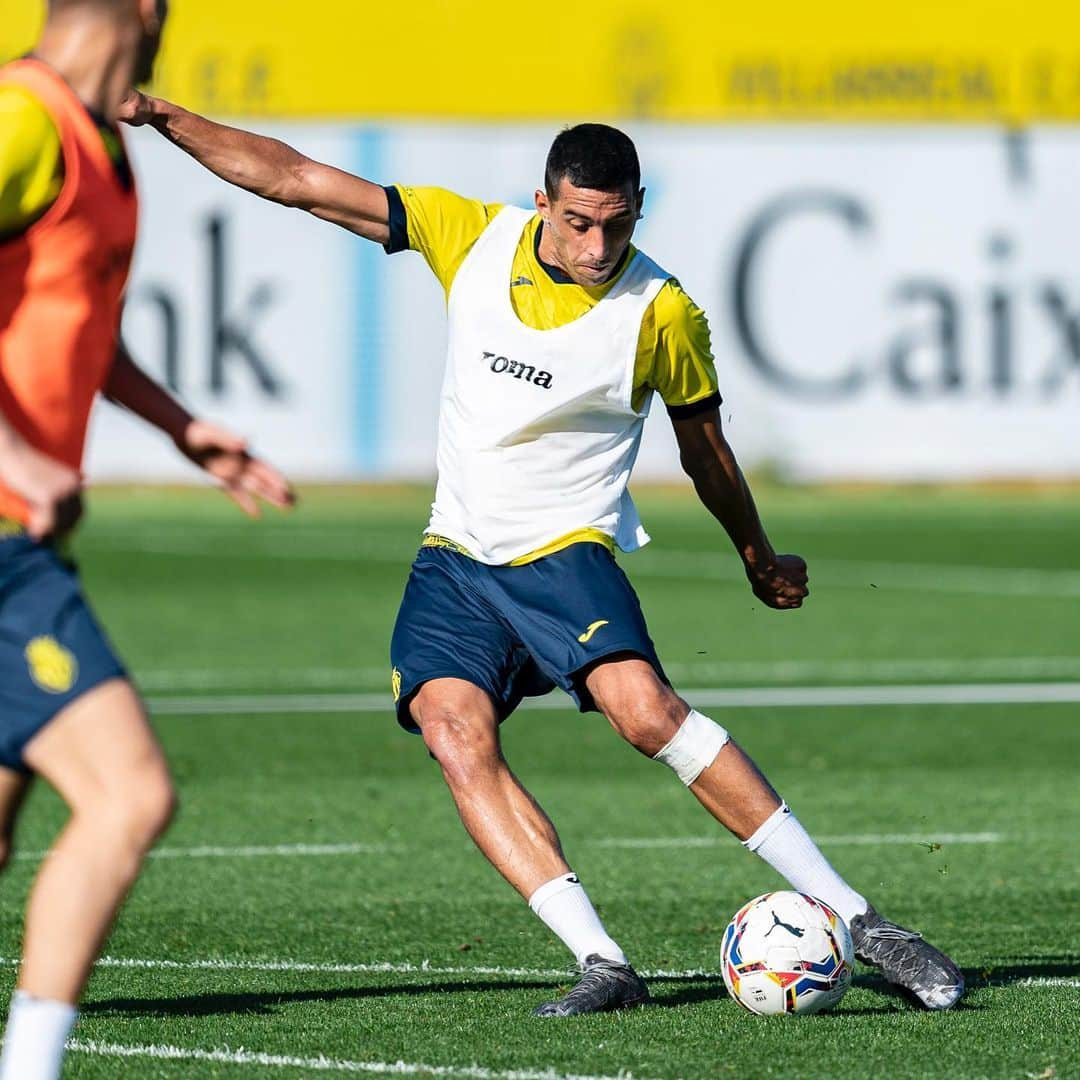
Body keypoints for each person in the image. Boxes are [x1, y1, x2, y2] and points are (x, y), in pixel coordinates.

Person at [120, 93, 964, 1016]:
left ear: (638, 208)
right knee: (451, 731)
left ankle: (861, 919)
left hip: (563, 550)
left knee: (644, 716)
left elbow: (706, 452)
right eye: (579, 223)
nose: (600, 247)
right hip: (455, 556)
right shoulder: (468, 237)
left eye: (618, 224)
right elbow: (292, 179)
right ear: (542, 203)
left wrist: (757, 554)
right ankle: (602, 962)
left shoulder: (663, 311)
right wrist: (165, 117)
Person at [0, 3, 295, 1076]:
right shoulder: (23, 119)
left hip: (20, 542)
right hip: (3, 540)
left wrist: (184, 430)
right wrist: (17, 460)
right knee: (131, 794)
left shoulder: (95, 139)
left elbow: (68, 316)